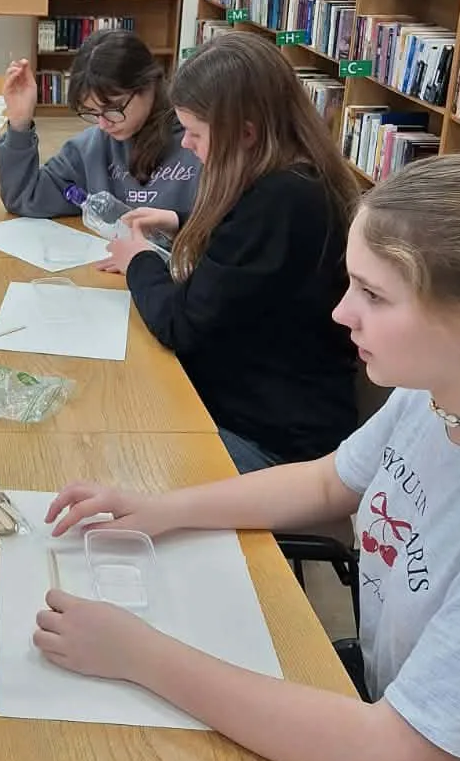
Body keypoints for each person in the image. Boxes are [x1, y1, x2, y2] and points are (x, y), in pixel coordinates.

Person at [38, 152, 460, 761]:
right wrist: (160, 508)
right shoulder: (439, 389)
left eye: (373, 295)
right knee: (149, 758)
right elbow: (329, 483)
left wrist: (141, 653)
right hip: (397, 708)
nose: (341, 311)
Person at [97, 36, 359, 470]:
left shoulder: (280, 202)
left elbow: (180, 324)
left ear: (246, 133)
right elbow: (248, 255)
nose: (186, 144)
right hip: (259, 405)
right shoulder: (296, 179)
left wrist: (138, 259)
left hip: (273, 443)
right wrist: (180, 219)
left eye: (195, 133)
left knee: (114, 440)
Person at [0, 30, 200, 224]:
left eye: (113, 108)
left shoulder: (199, 142)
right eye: (92, 112)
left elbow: (216, 229)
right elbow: (24, 197)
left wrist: (177, 225)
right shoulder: (92, 148)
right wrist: (20, 124)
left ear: (150, 85)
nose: (103, 124)